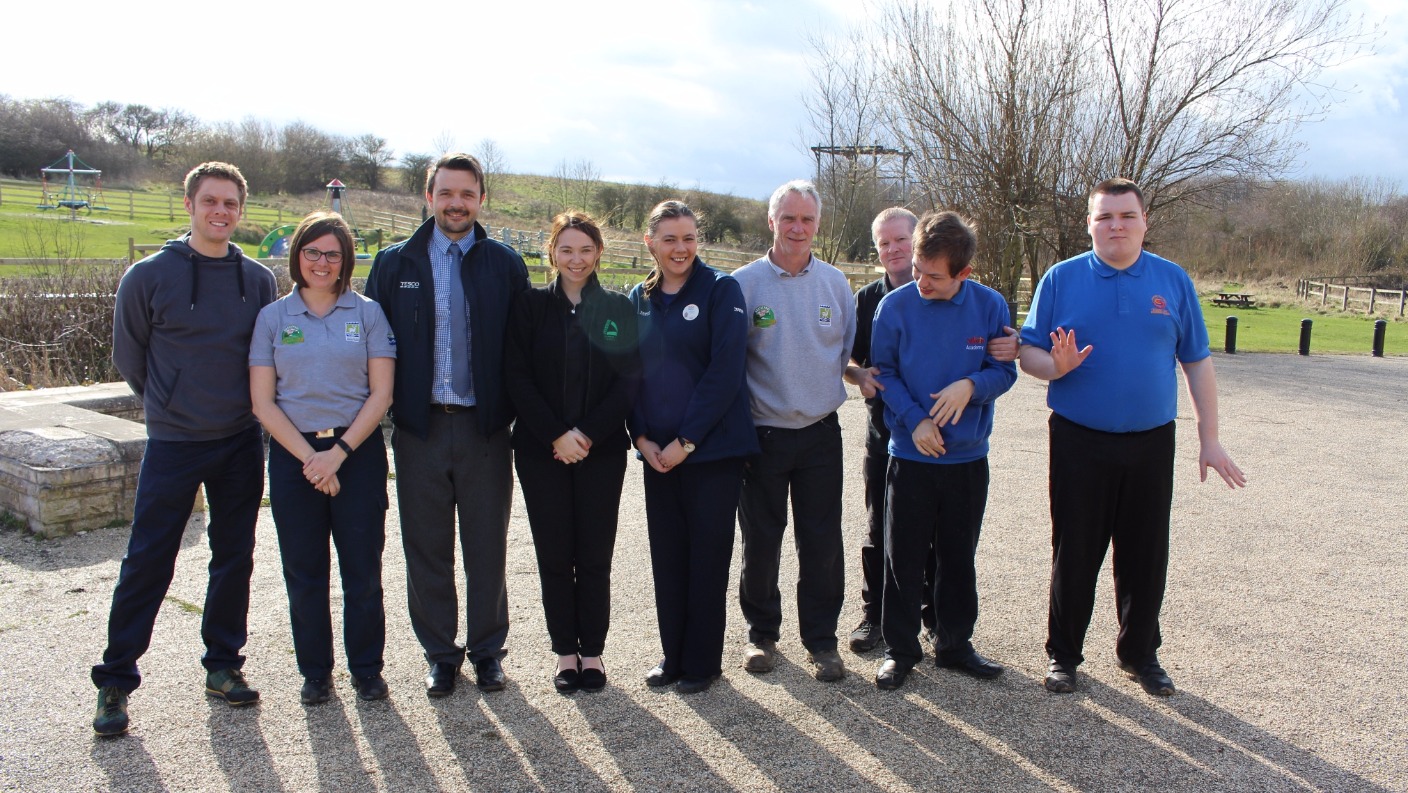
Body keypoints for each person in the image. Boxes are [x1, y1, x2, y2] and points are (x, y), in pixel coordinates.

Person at [1019, 178, 1246, 697]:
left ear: (1144, 221)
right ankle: (1063, 655)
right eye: (1104, 217)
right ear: (1090, 224)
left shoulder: (1172, 281)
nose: (1115, 226)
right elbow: (1027, 352)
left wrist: (1209, 438)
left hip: (1150, 440)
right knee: (1075, 548)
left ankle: (1140, 653)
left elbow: (1197, 361)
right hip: (1079, 439)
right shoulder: (1061, 279)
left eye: (1125, 216)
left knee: (1145, 552)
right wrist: (1054, 366)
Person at [92, 162, 277, 737]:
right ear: (190, 203)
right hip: (173, 442)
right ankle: (116, 680)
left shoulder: (260, 279)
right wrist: (168, 403)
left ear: (240, 211)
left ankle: (222, 665)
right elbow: (131, 357)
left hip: (240, 440)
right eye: (210, 202)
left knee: (233, 556)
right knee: (148, 559)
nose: (220, 212)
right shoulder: (147, 277)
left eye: (230, 204)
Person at [365, 153, 529, 697]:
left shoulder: (504, 263)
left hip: (485, 430)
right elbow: (371, 348)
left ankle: (487, 652)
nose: (456, 203)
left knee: (487, 546)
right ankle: (440, 654)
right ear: (428, 196)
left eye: (467, 193)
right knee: (426, 548)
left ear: (481, 199)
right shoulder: (394, 264)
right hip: (419, 429)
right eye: (445, 192)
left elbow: (521, 348)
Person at [844, 208, 1018, 654]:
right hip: (909, 456)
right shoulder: (892, 306)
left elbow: (1003, 371)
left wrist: (972, 386)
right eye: (918, 270)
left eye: (934, 277)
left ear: (964, 273)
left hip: (967, 458)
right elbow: (887, 376)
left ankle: (955, 644)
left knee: (958, 558)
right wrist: (916, 421)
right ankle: (901, 652)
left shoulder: (990, 305)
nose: (921, 282)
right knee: (901, 557)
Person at [249, 211, 395, 705]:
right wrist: (313, 459)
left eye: (332, 253)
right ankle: (315, 672)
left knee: (362, 570)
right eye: (312, 251)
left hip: (357, 452)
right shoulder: (272, 318)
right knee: (304, 571)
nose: (321, 262)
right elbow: (263, 403)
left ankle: (367, 670)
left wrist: (338, 455)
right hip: (295, 457)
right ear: (297, 256)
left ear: (345, 260)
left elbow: (381, 394)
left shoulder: (368, 313)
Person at [505, 211, 639, 694]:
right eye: (566, 249)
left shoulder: (619, 309)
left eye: (585, 249)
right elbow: (516, 376)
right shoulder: (530, 307)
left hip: (601, 453)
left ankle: (594, 653)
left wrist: (586, 435)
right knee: (555, 554)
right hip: (542, 452)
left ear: (598, 253)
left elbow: (629, 381)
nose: (576, 259)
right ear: (552, 254)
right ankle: (565, 652)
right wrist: (556, 435)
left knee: (595, 554)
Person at [629, 200, 756, 695]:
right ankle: (672, 656)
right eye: (669, 239)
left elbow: (724, 374)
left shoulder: (722, 290)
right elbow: (630, 373)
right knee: (668, 557)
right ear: (650, 243)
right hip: (656, 455)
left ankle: (702, 663)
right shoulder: (640, 297)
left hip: (711, 454)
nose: (680, 248)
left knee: (706, 558)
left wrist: (686, 442)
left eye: (688, 238)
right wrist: (640, 435)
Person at [731, 180, 855, 682]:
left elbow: (843, 350)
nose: (797, 228)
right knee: (760, 539)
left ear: (817, 224)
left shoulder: (836, 284)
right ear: (771, 221)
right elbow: (730, 360)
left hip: (822, 433)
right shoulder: (741, 284)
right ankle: (761, 634)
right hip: (763, 436)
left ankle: (822, 641)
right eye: (788, 218)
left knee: (822, 542)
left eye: (806, 219)